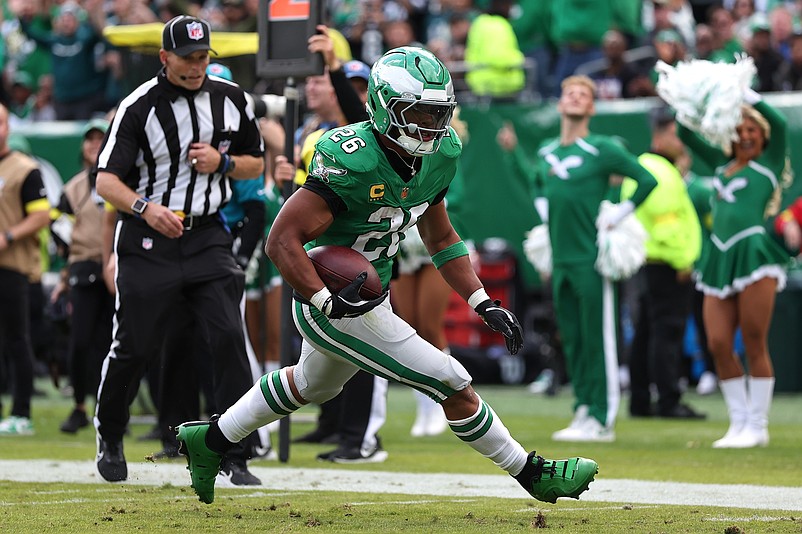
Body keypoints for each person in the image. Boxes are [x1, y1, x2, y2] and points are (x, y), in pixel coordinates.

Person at [175, 46, 598, 506]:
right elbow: (282, 240)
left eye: (439, 114)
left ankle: (211, 440)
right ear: (384, 107)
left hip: (372, 292)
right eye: (418, 112)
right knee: (450, 379)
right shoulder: (352, 158)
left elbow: (441, 238)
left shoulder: (440, 155)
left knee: (312, 384)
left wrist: (482, 301)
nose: (431, 126)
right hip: (332, 295)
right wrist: (324, 302)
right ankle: (532, 473)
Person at [93, 15, 265, 484]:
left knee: (229, 336)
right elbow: (105, 180)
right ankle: (110, 433)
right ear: (164, 57)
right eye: (187, 58)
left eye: (203, 56)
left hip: (208, 234)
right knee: (135, 345)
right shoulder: (137, 106)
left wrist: (223, 161)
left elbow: (257, 164)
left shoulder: (232, 100)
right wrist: (146, 208)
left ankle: (235, 452)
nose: (196, 66)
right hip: (148, 240)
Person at [533, 75, 657, 442]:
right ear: (560, 103)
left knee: (596, 338)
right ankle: (584, 409)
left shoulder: (601, 148)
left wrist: (618, 214)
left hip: (591, 260)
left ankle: (602, 419)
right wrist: (545, 213)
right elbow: (537, 183)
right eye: (568, 92)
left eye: (582, 94)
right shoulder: (546, 151)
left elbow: (646, 179)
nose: (574, 97)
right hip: (561, 261)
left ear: (591, 107)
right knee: (571, 338)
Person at [676, 88, 789, 448]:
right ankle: (738, 423)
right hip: (718, 257)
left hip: (754, 255)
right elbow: (683, 134)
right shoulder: (720, 166)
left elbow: (781, 122)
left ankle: (758, 425)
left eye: (752, 129)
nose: (745, 134)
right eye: (739, 129)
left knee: (754, 340)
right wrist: (695, 98)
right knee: (719, 343)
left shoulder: (769, 165)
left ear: (763, 135)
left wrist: (744, 93)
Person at [622, 109, 706, 420]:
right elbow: (667, 223)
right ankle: (669, 400)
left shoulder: (649, 167)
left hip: (652, 264)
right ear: (661, 136)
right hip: (666, 264)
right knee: (666, 334)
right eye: (676, 135)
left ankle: (641, 400)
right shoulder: (659, 170)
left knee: (646, 333)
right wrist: (682, 260)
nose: (681, 143)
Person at [50, 118, 115, 434]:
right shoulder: (72, 188)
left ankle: (110, 410)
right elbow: (58, 232)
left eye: (99, 138)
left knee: (112, 344)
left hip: (116, 267)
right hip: (83, 268)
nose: (93, 144)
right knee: (79, 342)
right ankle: (78, 405)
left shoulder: (119, 181)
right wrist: (64, 277)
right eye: (88, 140)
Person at [0, 103, 50, 435]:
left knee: (17, 339)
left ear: (8, 127)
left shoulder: (24, 168)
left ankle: (22, 412)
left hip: (12, 266)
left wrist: (8, 235)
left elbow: (42, 215)